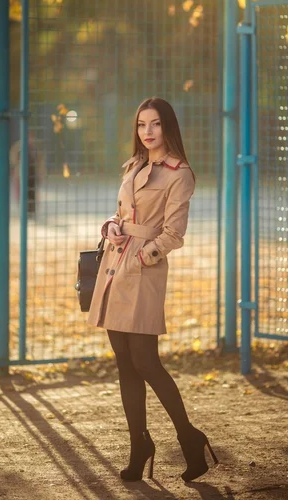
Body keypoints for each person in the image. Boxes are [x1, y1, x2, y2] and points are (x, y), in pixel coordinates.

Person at [87, 97, 218, 482]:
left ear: (168, 127)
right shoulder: (134, 166)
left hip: (142, 271)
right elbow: (122, 211)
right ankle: (139, 444)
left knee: (145, 361)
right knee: (125, 363)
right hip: (114, 266)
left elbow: (173, 233)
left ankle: (189, 438)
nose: (147, 131)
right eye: (142, 124)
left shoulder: (180, 174)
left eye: (155, 124)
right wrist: (111, 225)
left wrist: (144, 257)